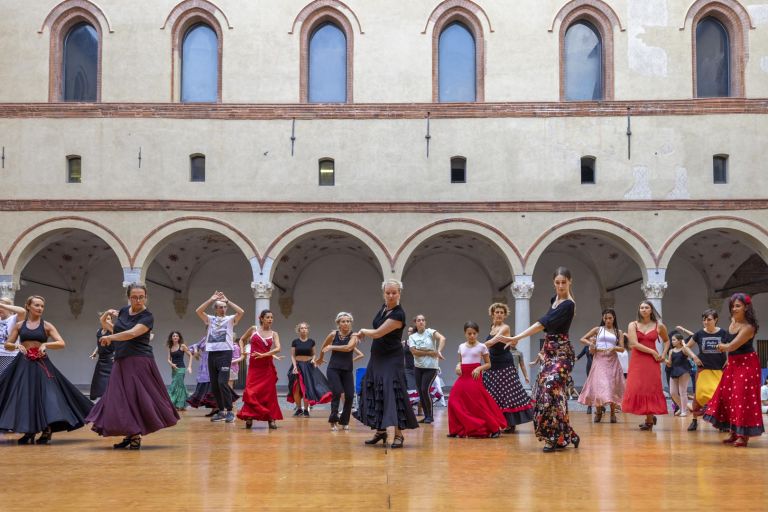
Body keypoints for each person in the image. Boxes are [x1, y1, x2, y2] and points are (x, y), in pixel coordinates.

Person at [491, 267, 579, 452]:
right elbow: (547, 326)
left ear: (570, 281)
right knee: (552, 394)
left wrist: (517, 337)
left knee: (549, 388)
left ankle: (553, 436)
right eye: (557, 282)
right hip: (548, 353)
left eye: (564, 282)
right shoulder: (554, 300)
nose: (560, 286)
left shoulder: (568, 305)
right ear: (553, 283)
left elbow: (542, 323)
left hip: (563, 354)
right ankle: (566, 434)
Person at [86, 283, 179, 449]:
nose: (138, 300)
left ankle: (135, 433)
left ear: (146, 297)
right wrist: (106, 317)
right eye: (134, 297)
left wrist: (111, 338)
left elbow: (132, 333)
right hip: (121, 359)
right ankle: (131, 431)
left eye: (141, 297)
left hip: (138, 360)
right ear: (129, 297)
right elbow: (114, 329)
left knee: (135, 397)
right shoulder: (123, 311)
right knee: (119, 397)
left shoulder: (147, 316)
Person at [0, 295, 93, 444]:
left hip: (42, 364)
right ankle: (29, 431)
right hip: (23, 364)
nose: (40, 308)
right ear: (28, 306)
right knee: (25, 396)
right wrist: (16, 345)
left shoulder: (47, 326)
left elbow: (61, 343)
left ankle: (47, 429)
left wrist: (46, 345)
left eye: (42, 306)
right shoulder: (19, 325)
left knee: (47, 396)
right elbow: (7, 345)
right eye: (36, 305)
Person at [353, 279, 418, 449]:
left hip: (391, 358)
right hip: (377, 357)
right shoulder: (383, 309)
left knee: (393, 391)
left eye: (394, 293)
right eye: (388, 293)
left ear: (399, 293)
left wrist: (363, 331)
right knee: (376, 389)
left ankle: (398, 434)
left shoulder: (398, 314)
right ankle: (381, 431)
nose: (390, 296)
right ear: (383, 293)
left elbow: (377, 333)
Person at [703, 293, 765, 447]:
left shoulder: (749, 327)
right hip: (733, 364)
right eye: (732, 306)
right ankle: (734, 431)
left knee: (742, 398)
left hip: (746, 364)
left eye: (738, 306)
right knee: (728, 396)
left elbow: (731, 346)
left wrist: (720, 346)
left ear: (746, 307)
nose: (734, 309)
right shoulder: (733, 321)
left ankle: (743, 435)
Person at [448, 321, 506, 438]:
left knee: (478, 403)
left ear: (477, 333)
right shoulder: (461, 346)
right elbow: (460, 361)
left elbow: (488, 364)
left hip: (475, 376)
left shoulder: (482, 347)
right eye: (469, 333)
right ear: (465, 333)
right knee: (452, 400)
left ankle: (494, 428)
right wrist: (458, 366)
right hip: (463, 376)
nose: (472, 336)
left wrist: (479, 368)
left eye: (474, 333)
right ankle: (456, 429)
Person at [483, 302, 534, 433]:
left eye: (502, 312)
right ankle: (496, 420)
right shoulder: (492, 327)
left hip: (504, 364)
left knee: (507, 393)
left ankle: (510, 423)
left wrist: (477, 346)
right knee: (493, 392)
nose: (499, 314)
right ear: (492, 314)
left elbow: (494, 341)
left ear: (505, 315)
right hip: (492, 363)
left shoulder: (505, 327)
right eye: (497, 312)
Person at [195, 291, 245, 423]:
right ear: (216, 309)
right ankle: (221, 411)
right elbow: (198, 311)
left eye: (224, 307)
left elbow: (241, 312)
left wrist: (227, 301)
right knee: (215, 385)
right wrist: (211, 299)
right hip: (212, 353)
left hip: (225, 353)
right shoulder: (210, 319)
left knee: (223, 382)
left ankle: (230, 411)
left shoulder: (230, 319)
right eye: (220, 307)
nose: (223, 309)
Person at [675, 309, 728, 431]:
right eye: (704, 320)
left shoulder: (723, 333)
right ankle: (694, 420)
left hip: (719, 368)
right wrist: (694, 357)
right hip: (703, 369)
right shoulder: (699, 334)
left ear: (716, 320)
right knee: (700, 394)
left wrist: (729, 359)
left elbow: (733, 346)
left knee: (720, 395)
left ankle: (722, 422)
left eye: (709, 319)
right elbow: (686, 348)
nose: (706, 322)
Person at [621, 301, 670, 431]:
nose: (643, 309)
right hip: (638, 360)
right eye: (641, 307)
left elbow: (667, 340)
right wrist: (653, 351)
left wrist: (663, 354)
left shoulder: (659, 326)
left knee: (650, 387)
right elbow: (634, 344)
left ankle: (649, 419)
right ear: (639, 310)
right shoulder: (633, 324)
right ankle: (650, 416)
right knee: (637, 387)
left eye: (646, 307)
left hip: (652, 362)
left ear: (651, 310)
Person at [317, 312, 365, 431]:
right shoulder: (333, 334)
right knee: (337, 392)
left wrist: (332, 347)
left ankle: (344, 421)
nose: (346, 323)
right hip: (333, 369)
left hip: (347, 370)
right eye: (343, 321)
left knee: (349, 395)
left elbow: (348, 348)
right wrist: (320, 358)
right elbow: (324, 346)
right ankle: (333, 420)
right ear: (338, 323)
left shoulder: (354, 336)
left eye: (348, 321)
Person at [577, 309, 626, 423]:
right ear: (602, 318)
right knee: (599, 385)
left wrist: (614, 347)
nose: (608, 320)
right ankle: (598, 411)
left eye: (610, 318)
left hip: (612, 360)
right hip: (599, 359)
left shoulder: (618, 332)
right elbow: (582, 339)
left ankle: (612, 413)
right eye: (605, 318)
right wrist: (591, 343)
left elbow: (622, 348)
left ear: (614, 318)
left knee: (612, 386)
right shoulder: (598, 329)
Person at [238, 309, 283, 430]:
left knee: (269, 393)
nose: (270, 319)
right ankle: (249, 416)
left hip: (267, 367)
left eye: (271, 317)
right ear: (261, 318)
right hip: (254, 367)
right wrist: (242, 352)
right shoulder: (253, 329)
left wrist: (264, 355)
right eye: (268, 317)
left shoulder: (274, 334)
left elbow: (278, 348)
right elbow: (241, 339)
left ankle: (271, 418)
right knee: (251, 391)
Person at [407, 314, 446, 425]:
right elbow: (414, 351)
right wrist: (430, 352)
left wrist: (438, 351)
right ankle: (426, 416)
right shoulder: (412, 337)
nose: (421, 322)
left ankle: (430, 416)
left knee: (425, 389)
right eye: (419, 320)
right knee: (420, 391)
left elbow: (442, 338)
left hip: (431, 367)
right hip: (418, 367)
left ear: (425, 322)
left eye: (423, 320)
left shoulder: (430, 332)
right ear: (415, 323)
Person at [288, 322, 332, 416]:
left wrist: (313, 359)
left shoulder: (311, 341)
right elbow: (292, 355)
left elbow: (314, 354)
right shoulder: (295, 342)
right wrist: (295, 366)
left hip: (308, 366)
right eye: (302, 328)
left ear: (308, 330)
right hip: (298, 366)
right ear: (299, 330)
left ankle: (306, 410)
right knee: (296, 388)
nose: (304, 330)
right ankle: (299, 409)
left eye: (305, 328)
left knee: (307, 388)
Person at [186, 335, 218, 414]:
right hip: (204, 364)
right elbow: (194, 346)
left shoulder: (216, 338)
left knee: (212, 384)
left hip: (212, 361)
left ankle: (217, 407)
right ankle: (214, 408)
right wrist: (196, 351)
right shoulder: (204, 339)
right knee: (205, 384)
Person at [89, 311, 115, 400]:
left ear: (111, 321)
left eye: (109, 319)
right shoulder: (99, 331)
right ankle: (97, 397)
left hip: (110, 359)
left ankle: (108, 398)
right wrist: (94, 352)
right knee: (97, 379)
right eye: (105, 319)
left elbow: (119, 343)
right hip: (101, 359)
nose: (107, 321)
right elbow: (98, 344)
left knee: (108, 380)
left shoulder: (112, 331)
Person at [666, 334, 691, 418]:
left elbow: (689, 353)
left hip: (684, 371)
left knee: (682, 392)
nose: (672, 342)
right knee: (672, 392)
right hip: (674, 371)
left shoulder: (684, 349)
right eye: (672, 340)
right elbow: (669, 364)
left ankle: (684, 411)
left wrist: (684, 344)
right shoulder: (671, 351)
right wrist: (663, 360)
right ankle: (681, 407)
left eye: (674, 340)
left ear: (680, 341)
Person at [166, 331, 191, 411]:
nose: (175, 337)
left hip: (181, 369)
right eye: (174, 336)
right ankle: (180, 405)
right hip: (174, 369)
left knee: (175, 386)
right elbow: (168, 359)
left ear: (179, 337)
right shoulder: (170, 347)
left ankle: (172, 403)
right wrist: (172, 364)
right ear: (171, 338)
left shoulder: (182, 346)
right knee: (179, 386)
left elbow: (190, 355)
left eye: (177, 336)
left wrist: (189, 366)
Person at [0, 298, 25, 377]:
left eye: (2, 307)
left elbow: (22, 311)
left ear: (9, 308)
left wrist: (1, 305)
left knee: (4, 379)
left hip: (10, 355)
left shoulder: (14, 318)